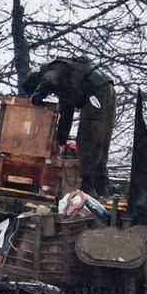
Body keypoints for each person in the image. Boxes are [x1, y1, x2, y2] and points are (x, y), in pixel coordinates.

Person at [21, 57, 116, 195]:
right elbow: (67, 113)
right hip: (108, 90)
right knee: (100, 138)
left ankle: (88, 184)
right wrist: (61, 139)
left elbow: (48, 80)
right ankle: (102, 184)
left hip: (95, 94)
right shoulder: (66, 79)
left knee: (88, 137)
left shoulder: (52, 69)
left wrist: (38, 95)